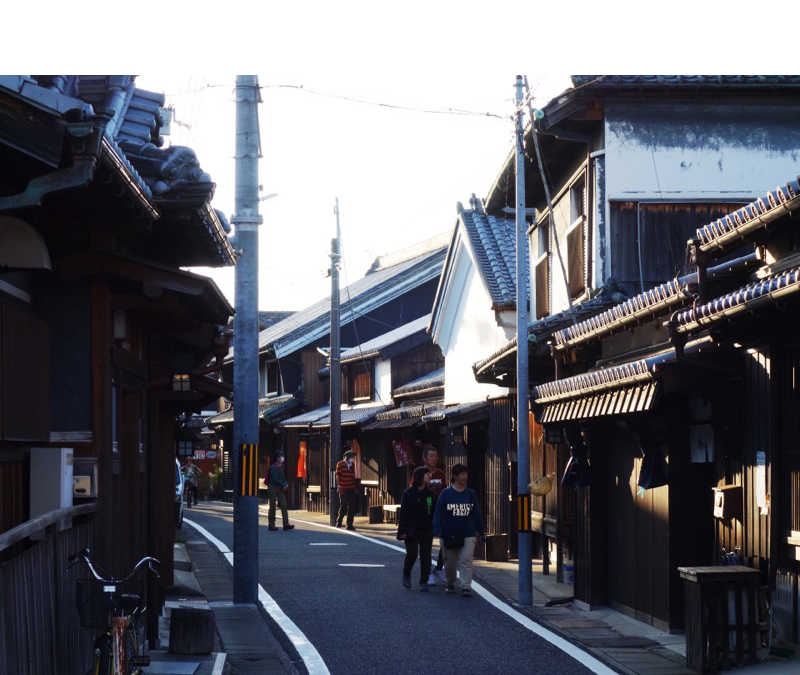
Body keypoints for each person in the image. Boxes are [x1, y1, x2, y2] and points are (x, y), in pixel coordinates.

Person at [433, 463, 486, 597]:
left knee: (466, 559)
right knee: (450, 561)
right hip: (449, 531)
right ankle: (450, 582)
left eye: (466, 474)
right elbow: (438, 512)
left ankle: (465, 586)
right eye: (462, 474)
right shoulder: (446, 493)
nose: (465, 477)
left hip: (468, 531)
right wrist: (437, 529)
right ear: (455, 476)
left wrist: (481, 531)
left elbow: (476, 513)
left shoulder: (470, 494)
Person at [397, 466, 437, 592]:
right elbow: (403, 513)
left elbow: (433, 511)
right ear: (420, 477)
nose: (429, 476)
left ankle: (423, 581)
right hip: (411, 528)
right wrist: (402, 530)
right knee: (412, 553)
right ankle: (406, 573)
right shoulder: (408, 493)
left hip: (426, 528)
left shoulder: (431, 494)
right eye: (427, 474)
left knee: (426, 555)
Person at [412, 445, 446, 585]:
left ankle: (439, 567)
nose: (434, 459)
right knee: (426, 545)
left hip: (440, 512)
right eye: (431, 456)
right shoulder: (419, 473)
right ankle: (427, 572)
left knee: (446, 541)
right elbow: (413, 490)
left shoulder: (441, 474)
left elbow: (444, 492)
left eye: (436, 456)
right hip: (425, 513)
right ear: (424, 458)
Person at [266, 451, 294, 531]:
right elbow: (275, 478)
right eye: (281, 456)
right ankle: (271, 524)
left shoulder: (282, 466)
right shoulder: (273, 467)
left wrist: (286, 483)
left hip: (280, 488)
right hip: (272, 487)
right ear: (277, 458)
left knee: (284, 505)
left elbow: (283, 476)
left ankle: (286, 524)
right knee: (272, 506)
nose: (283, 458)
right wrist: (283, 484)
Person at [335, 449, 358, 530]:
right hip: (343, 487)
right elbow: (338, 476)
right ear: (347, 457)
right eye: (351, 457)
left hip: (351, 487)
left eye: (353, 457)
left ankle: (349, 524)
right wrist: (338, 487)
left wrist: (355, 487)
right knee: (343, 505)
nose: (352, 458)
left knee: (352, 506)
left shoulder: (352, 465)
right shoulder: (340, 464)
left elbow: (353, 477)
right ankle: (339, 521)